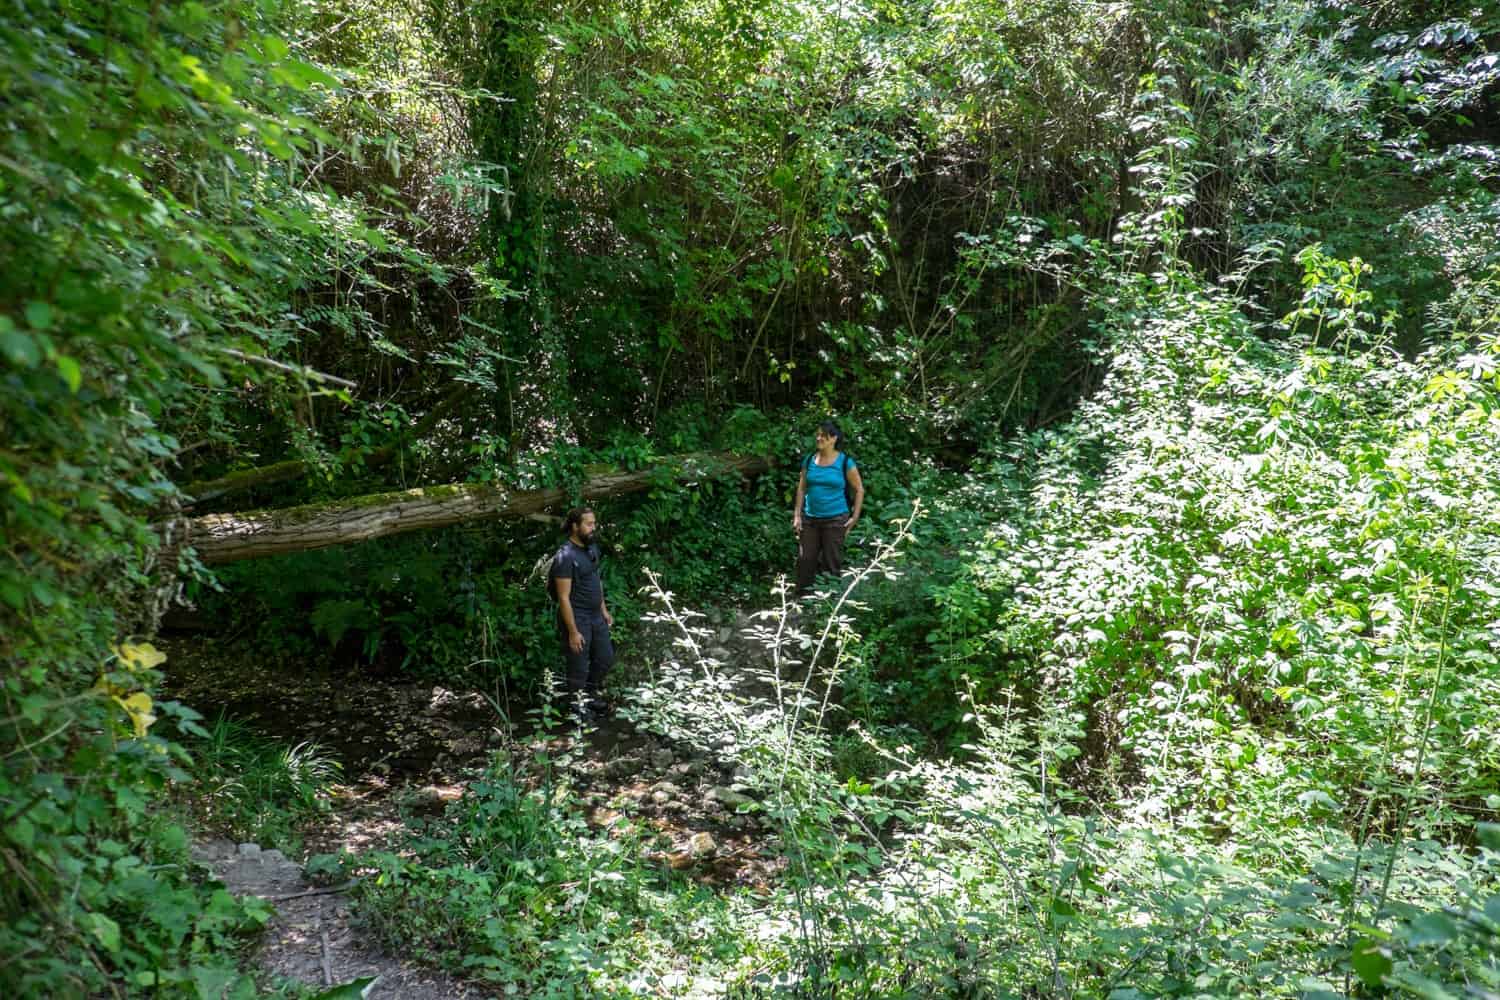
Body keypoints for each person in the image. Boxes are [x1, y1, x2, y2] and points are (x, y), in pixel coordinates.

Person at [548, 506, 615, 719]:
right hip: (577, 617)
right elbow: (563, 598)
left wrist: (603, 609)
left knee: (605, 658)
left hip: (596, 615)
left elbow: (596, 580)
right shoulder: (565, 557)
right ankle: (576, 707)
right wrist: (573, 631)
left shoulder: (591, 547)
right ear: (575, 526)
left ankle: (589, 695)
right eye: (588, 524)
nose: (593, 527)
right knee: (578, 665)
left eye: (594, 523)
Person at [792, 420, 864, 596]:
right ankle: (802, 600)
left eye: (823, 436)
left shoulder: (845, 462)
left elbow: (859, 489)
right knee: (805, 559)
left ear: (834, 439)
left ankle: (829, 602)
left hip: (835, 519)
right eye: (818, 435)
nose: (819, 438)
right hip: (810, 518)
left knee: (831, 561)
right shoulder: (809, 460)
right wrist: (797, 515)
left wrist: (854, 517)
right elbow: (802, 488)